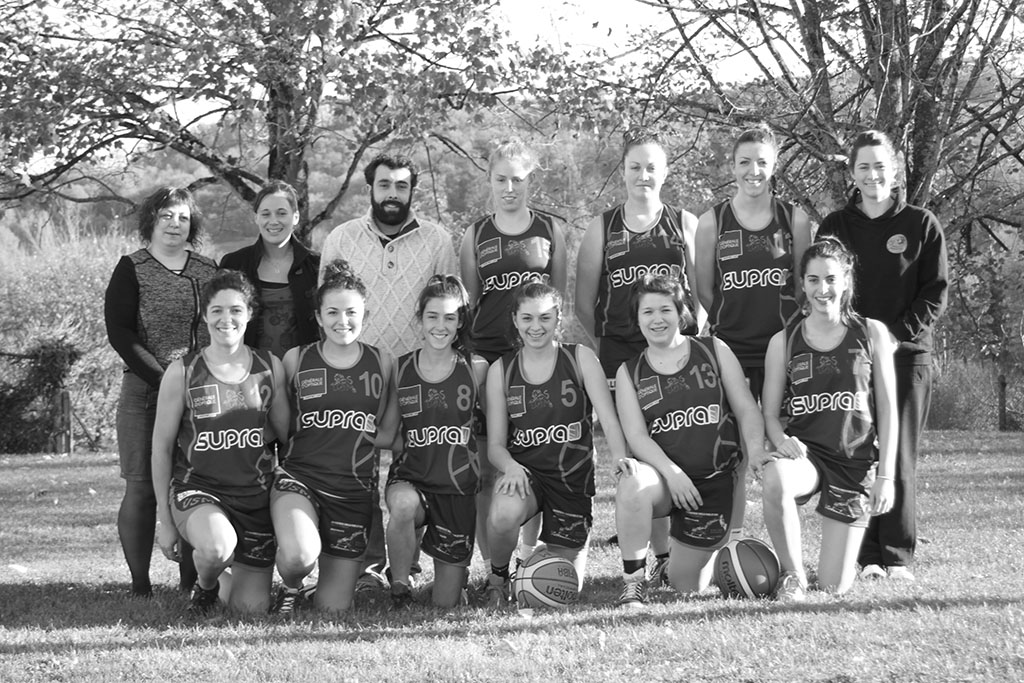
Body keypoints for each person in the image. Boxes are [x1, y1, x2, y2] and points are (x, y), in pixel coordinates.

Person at [319, 153, 458, 590]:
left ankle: (409, 565)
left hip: (421, 373)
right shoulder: (342, 238)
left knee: (415, 469)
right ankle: (367, 565)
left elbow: (451, 305)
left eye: (401, 186)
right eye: (384, 185)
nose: (392, 194)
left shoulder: (437, 239)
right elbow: (326, 308)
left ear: (411, 190)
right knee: (357, 468)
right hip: (359, 371)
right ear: (370, 189)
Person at [817, 130, 948, 582]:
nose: (873, 175)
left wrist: (893, 337)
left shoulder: (921, 224)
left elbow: (935, 292)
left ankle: (894, 555)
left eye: (880, 166)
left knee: (897, 454)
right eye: (864, 167)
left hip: (905, 357)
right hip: (852, 361)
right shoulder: (836, 227)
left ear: (894, 171)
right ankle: (863, 551)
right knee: (858, 453)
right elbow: (825, 287)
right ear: (852, 174)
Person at [574, 126, 700, 582]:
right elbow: (584, 304)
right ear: (623, 171)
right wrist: (613, 343)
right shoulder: (601, 228)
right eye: (634, 167)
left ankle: (667, 555)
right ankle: (639, 559)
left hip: (674, 351)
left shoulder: (685, 223)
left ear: (665, 172)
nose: (642, 175)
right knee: (630, 451)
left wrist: (688, 339)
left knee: (669, 441)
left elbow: (701, 297)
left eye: (651, 167)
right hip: (621, 355)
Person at [755, 238, 899, 601]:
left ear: (846, 281)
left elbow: (890, 413)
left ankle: (842, 560)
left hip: (854, 463)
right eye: (814, 280)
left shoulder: (871, 333)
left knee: (834, 586)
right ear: (802, 284)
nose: (823, 289)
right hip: (808, 457)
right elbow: (769, 414)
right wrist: (780, 438)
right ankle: (793, 575)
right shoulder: (783, 341)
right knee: (775, 478)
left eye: (831, 279)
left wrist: (886, 477)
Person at [613, 274, 767, 606]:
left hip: (712, 484)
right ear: (636, 319)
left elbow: (746, 407)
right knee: (631, 483)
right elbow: (637, 437)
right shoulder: (630, 372)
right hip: (668, 482)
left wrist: (755, 450)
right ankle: (633, 583)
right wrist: (673, 474)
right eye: (648, 312)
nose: (657, 319)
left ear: (681, 311)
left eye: (665, 309)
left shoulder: (713, 350)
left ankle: (710, 554)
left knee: (686, 587)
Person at [151, 270, 290, 614]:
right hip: (198, 489)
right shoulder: (183, 371)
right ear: (204, 315)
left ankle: (225, 582)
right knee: (216, 548)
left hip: (254, 497)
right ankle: (206, 586)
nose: (226, 319)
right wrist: (165, 521)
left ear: (250, 314)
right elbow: (161, 448)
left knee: (252, 610)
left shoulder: (269, 366)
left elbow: (288, 436)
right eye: (217, 310)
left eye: (235, 310)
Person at [483, 282, 628, 606]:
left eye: (545, 318)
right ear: (515, 320)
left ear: (558, 319)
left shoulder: (581, 359)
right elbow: (495, 445)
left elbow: (609, 419)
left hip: (572, 482)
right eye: (528, 318)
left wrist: (620, 460)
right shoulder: (501, 371)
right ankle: (497, 577)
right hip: (528, 474)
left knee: (561, 589)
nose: (536, 327)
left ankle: (535, 559)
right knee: (504, 511)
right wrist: (510, 467)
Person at [104, 186, 217, 598]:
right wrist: (164, 380)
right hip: (144, 390)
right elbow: (120, 332)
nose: (175, 224)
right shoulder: (132, 267)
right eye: (167, 215)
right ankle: (140, 584)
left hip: (202, 392)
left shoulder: (208, 270)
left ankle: (191, 581)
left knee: (193, 483)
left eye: (183, 217)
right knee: (141, 485)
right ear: (151, 220)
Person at [459, 138, 566, 571]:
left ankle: (527, 557)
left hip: (537, 357)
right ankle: (492, 566)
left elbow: (558, 300)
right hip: (489, 357)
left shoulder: (550, 230)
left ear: (529, 180)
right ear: (489, 180)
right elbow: (469, 304)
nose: (509, 187)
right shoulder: (476, 234)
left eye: (518, 179)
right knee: (489, 466)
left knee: (534, 459)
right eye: (501, 179)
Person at [270, 260, 398, 613]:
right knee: (299, 557)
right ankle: (292, 586)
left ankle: (317, 592)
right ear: (318, 316)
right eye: (333, 312)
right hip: (301, 480)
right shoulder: (296, 359)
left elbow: (386, 429)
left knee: (334, 609)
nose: (342, 321)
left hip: (352, 492)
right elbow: (282, 427)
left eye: (351, 312)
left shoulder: (383, 362)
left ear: (365, 314)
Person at [385, 275, 489, 608]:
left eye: (449, 317)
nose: (440, 326)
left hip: (458, 487)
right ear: (420, 319)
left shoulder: (477, 369)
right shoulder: (400, 369)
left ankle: (455, 582)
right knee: (401, 505)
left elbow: (493, 429)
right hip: (411, 479)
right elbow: (388, 434)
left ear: (461, 322)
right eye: (432, 316)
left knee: (445, 604)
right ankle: (399, 586)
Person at [694, 125, 811, 400]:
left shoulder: (795, 220)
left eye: (762, 162)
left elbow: (801, 286)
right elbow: (705, 291)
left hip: (783, 346)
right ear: (733, 166)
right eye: (745, 162)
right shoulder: (712, 222)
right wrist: (735, 321)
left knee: (781, 436)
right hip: (731, 349)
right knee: (741, 437)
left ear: (774, 166)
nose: (753, 171)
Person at [220, 180, 321, 358]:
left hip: (304, 370)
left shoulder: (315, 266)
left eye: (281, 213)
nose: (273, 221)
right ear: (256, 217)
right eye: (265, 214)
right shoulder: (234, 264)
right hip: (247, 371)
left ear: (296, 217)